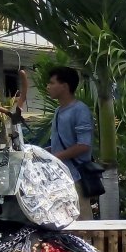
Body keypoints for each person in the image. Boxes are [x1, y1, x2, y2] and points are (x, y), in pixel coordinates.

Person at [45, 66, 96, 219]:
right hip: (60, 176)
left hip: (76, 176)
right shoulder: (58, 111)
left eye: (52, 83)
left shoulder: (80, 110)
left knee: (82, 220)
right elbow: (61, 143)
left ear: (65, 86)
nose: (48, 87)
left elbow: (84, 145)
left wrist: (55, 157)